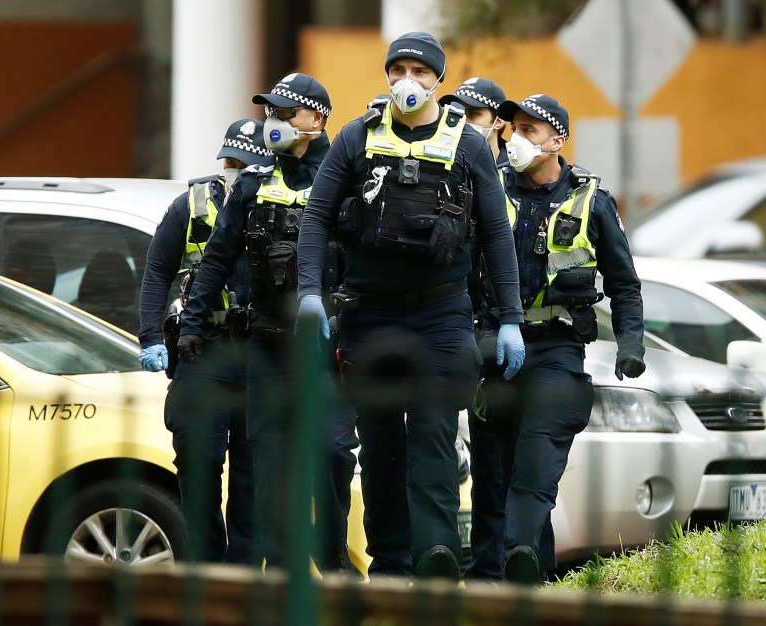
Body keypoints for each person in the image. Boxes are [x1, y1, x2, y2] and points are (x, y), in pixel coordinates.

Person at [295, 32, 526, 581]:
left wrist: (512, 318)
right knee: (380, 445)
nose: (408, 81)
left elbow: (496, 233)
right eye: (398, 69)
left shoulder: (467, 144)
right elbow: (316, 219)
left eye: (421, 72)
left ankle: (436, 555)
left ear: (439, 82)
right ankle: (391, 563)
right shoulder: (356, 137)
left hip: (441, 315)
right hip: (370, 315)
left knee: (433, 437)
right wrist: (309, 292)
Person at [176, 73, 359, 572]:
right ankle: (281, 576)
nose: (271, 122)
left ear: (316, 120)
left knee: (334, 450)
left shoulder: (346, 181)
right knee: (272, 467)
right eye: (270, 113)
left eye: (284, 113)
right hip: (268, 348)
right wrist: (192, 324)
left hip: (328, 349)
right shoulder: (256, 182)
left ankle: (331, 552)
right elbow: (216, 259)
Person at [487, 93, 645, 584]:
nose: (517, 139)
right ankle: (541, 579)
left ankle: (515, 560)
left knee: (536, 463)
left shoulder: (590, 201)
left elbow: (623, 282)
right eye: (513, 128)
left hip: (557, 348)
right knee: (503, 473)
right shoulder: (489, 189)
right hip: (496, 345)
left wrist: (631, 344)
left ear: (557, 139)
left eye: (531, 130)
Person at [137, 118, 272, 564]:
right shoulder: (191, 205)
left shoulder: (275, 202)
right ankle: (205, 569)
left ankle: (247, 580)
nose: (237, 170)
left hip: (258, 350)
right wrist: (151, 335)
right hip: (202, 347)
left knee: (254, 477)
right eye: (232, 162)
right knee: (197, 463)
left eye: (246, 163)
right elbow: (157, 271)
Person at [438, 76, 517, 581]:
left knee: (499, 464)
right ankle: (450, 558)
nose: (464, 121)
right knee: (444, 448)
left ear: (499, 124)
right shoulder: (447, 166)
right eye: (458, 111)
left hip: (499, 333)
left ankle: (499, 568)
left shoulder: (515, 177)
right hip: (449, 323)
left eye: (476, 113)